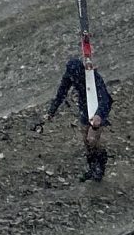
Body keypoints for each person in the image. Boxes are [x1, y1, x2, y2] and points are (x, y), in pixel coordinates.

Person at [48, 54, 113, 182]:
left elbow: (105, 98)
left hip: (97, 109)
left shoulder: (93, 77)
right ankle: (92, 168)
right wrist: (52, 110)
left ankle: (100, 165)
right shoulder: (70, 75)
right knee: (86, 141)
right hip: (85, 109)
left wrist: (99, 115)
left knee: (92, 139)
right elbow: (62, 92)